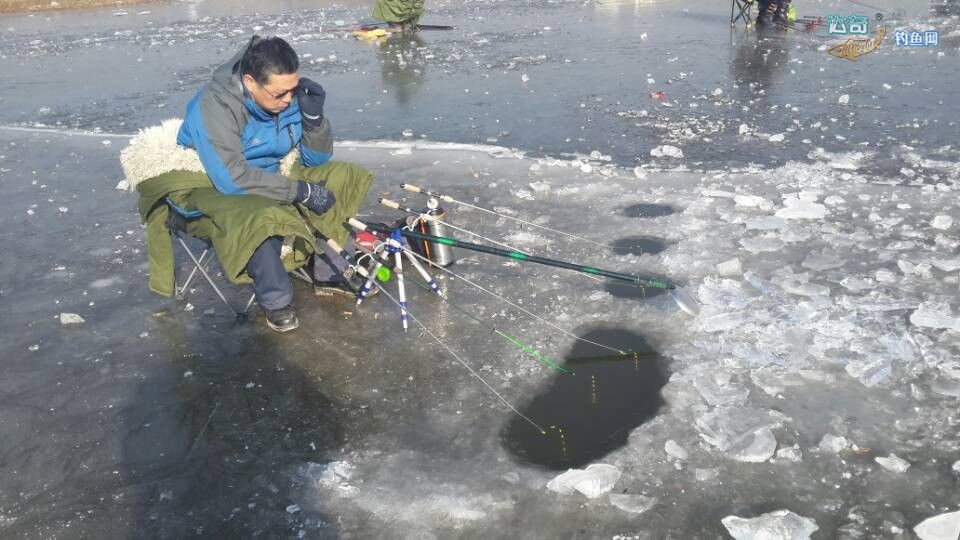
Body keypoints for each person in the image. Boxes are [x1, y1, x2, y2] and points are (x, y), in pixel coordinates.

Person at [174, 36, 375, 333]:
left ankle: (327, 270)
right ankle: (276, 300)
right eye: (280, 94)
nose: (287, 100)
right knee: (260, 214)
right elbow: (231, 178)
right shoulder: (214, 105)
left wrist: (313, 120)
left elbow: (315, 161)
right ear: (250, 82)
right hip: (211, 185)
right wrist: (298, 191)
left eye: (292, 91)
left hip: (270, 176)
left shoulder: (287, 98)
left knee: (341, 175)